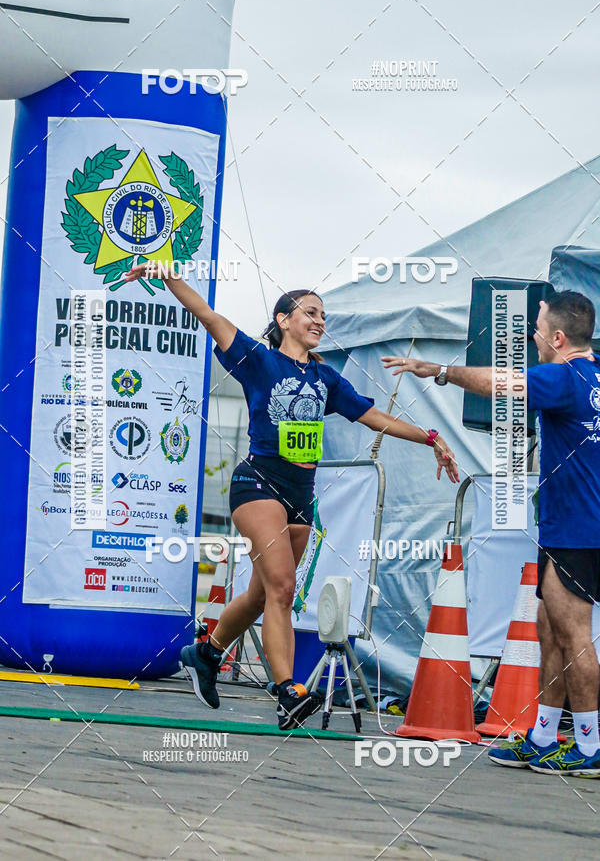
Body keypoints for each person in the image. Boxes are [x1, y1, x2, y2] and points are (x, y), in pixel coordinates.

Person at [125, 262, 459, 729]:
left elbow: (373, 417)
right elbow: (205, 312)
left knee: (263, 595)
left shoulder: (326, 380)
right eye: (310, 312)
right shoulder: (257, 360)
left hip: (301, 494)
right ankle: (286, 690)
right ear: (284, 320)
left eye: (324, 315)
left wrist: (429, 438)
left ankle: (206, 652)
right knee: (283, 587)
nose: (320, 321)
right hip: (257, 483)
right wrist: (167, 274)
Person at [382, 289, 600, 776]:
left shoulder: (565, 376)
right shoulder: (595, 373)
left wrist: (438, 371)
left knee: (574, 634)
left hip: (576, 529)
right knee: (549, 630)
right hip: (573, 525)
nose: (534, 338)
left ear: (560, 338)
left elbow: (501, 383)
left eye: (539, 329)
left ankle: (590, 744)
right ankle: (544, 734)